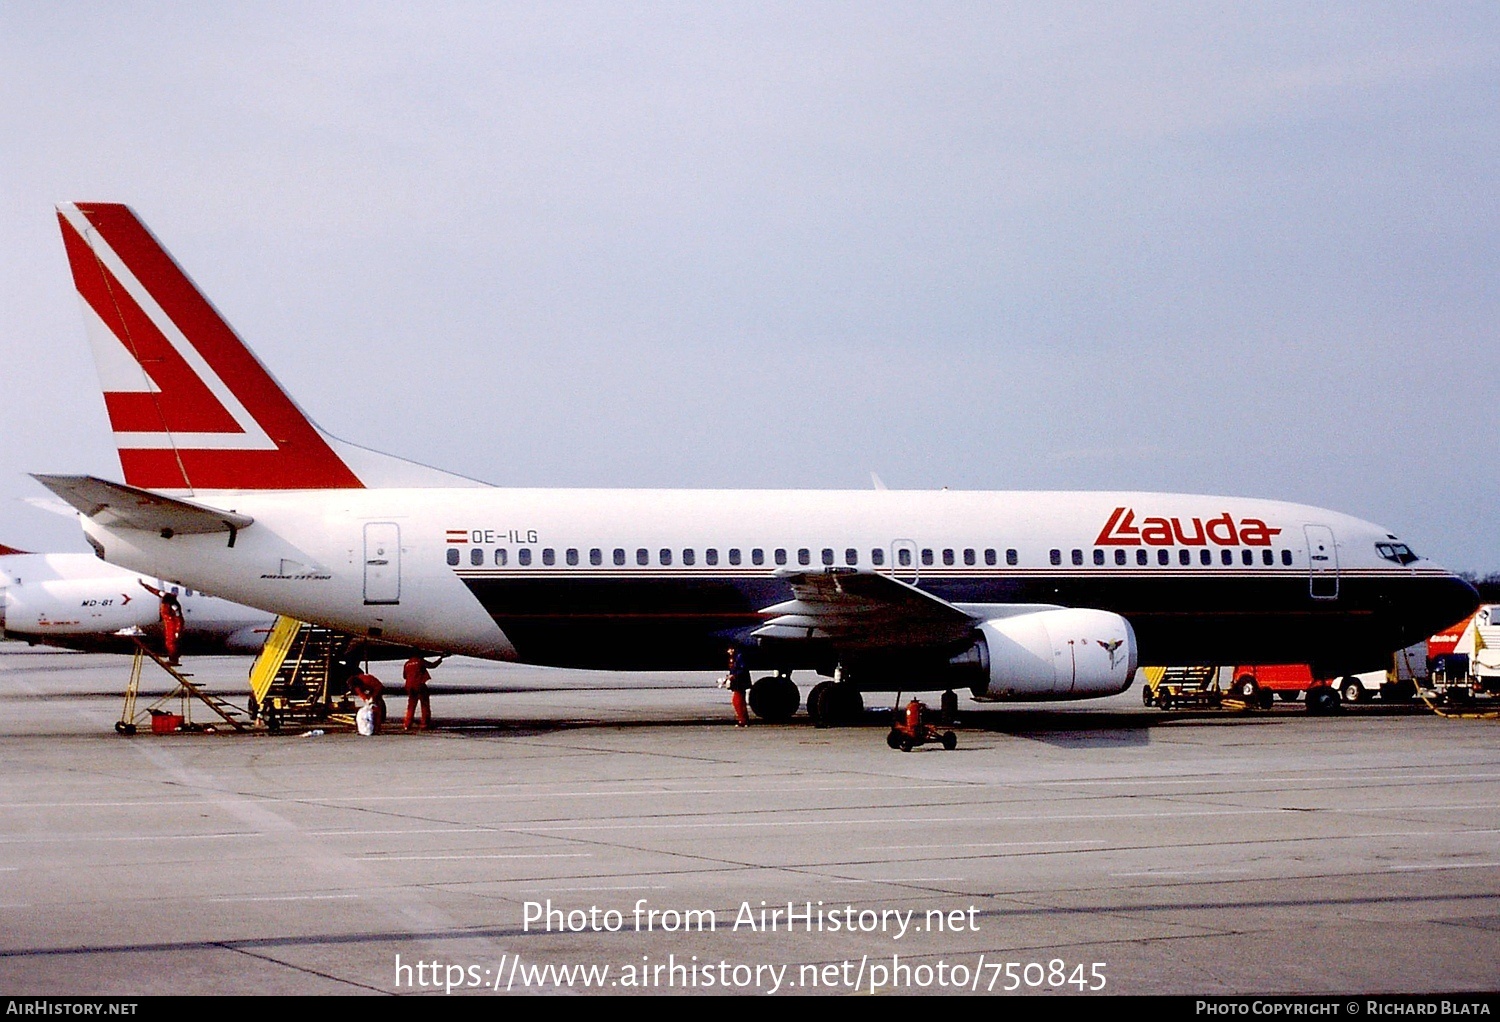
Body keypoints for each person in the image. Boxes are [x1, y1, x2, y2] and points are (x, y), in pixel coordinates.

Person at [402, 652, 446, 731]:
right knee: (424, 705)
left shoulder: (407, 664)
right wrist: (441, 659)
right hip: (419, 685)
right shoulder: (420, 661)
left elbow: (404, 676)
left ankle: (407, 724)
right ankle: (424, 724)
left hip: (409, 686)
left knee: (411, 706)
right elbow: (432, 665)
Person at [725, 647, 751, 727]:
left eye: (729, 650)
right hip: (737, 681)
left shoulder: (739, 657)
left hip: (740, 682)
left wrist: (733, 676)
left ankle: (742, 720)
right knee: (740, 701)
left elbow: (742, 669)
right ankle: (743, 719)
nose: (728, 652)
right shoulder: (735, 658)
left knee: (737, 701)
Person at [158, 591, 184, 666]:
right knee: (168, 643)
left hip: (173, 625)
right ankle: (172, 657)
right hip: (168, 624)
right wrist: (144, 585)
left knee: (171, 643)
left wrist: (177, 631)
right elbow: (155, 591)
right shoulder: (165, 596)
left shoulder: (174, 607)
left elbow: (179, 619)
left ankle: (174, 659)